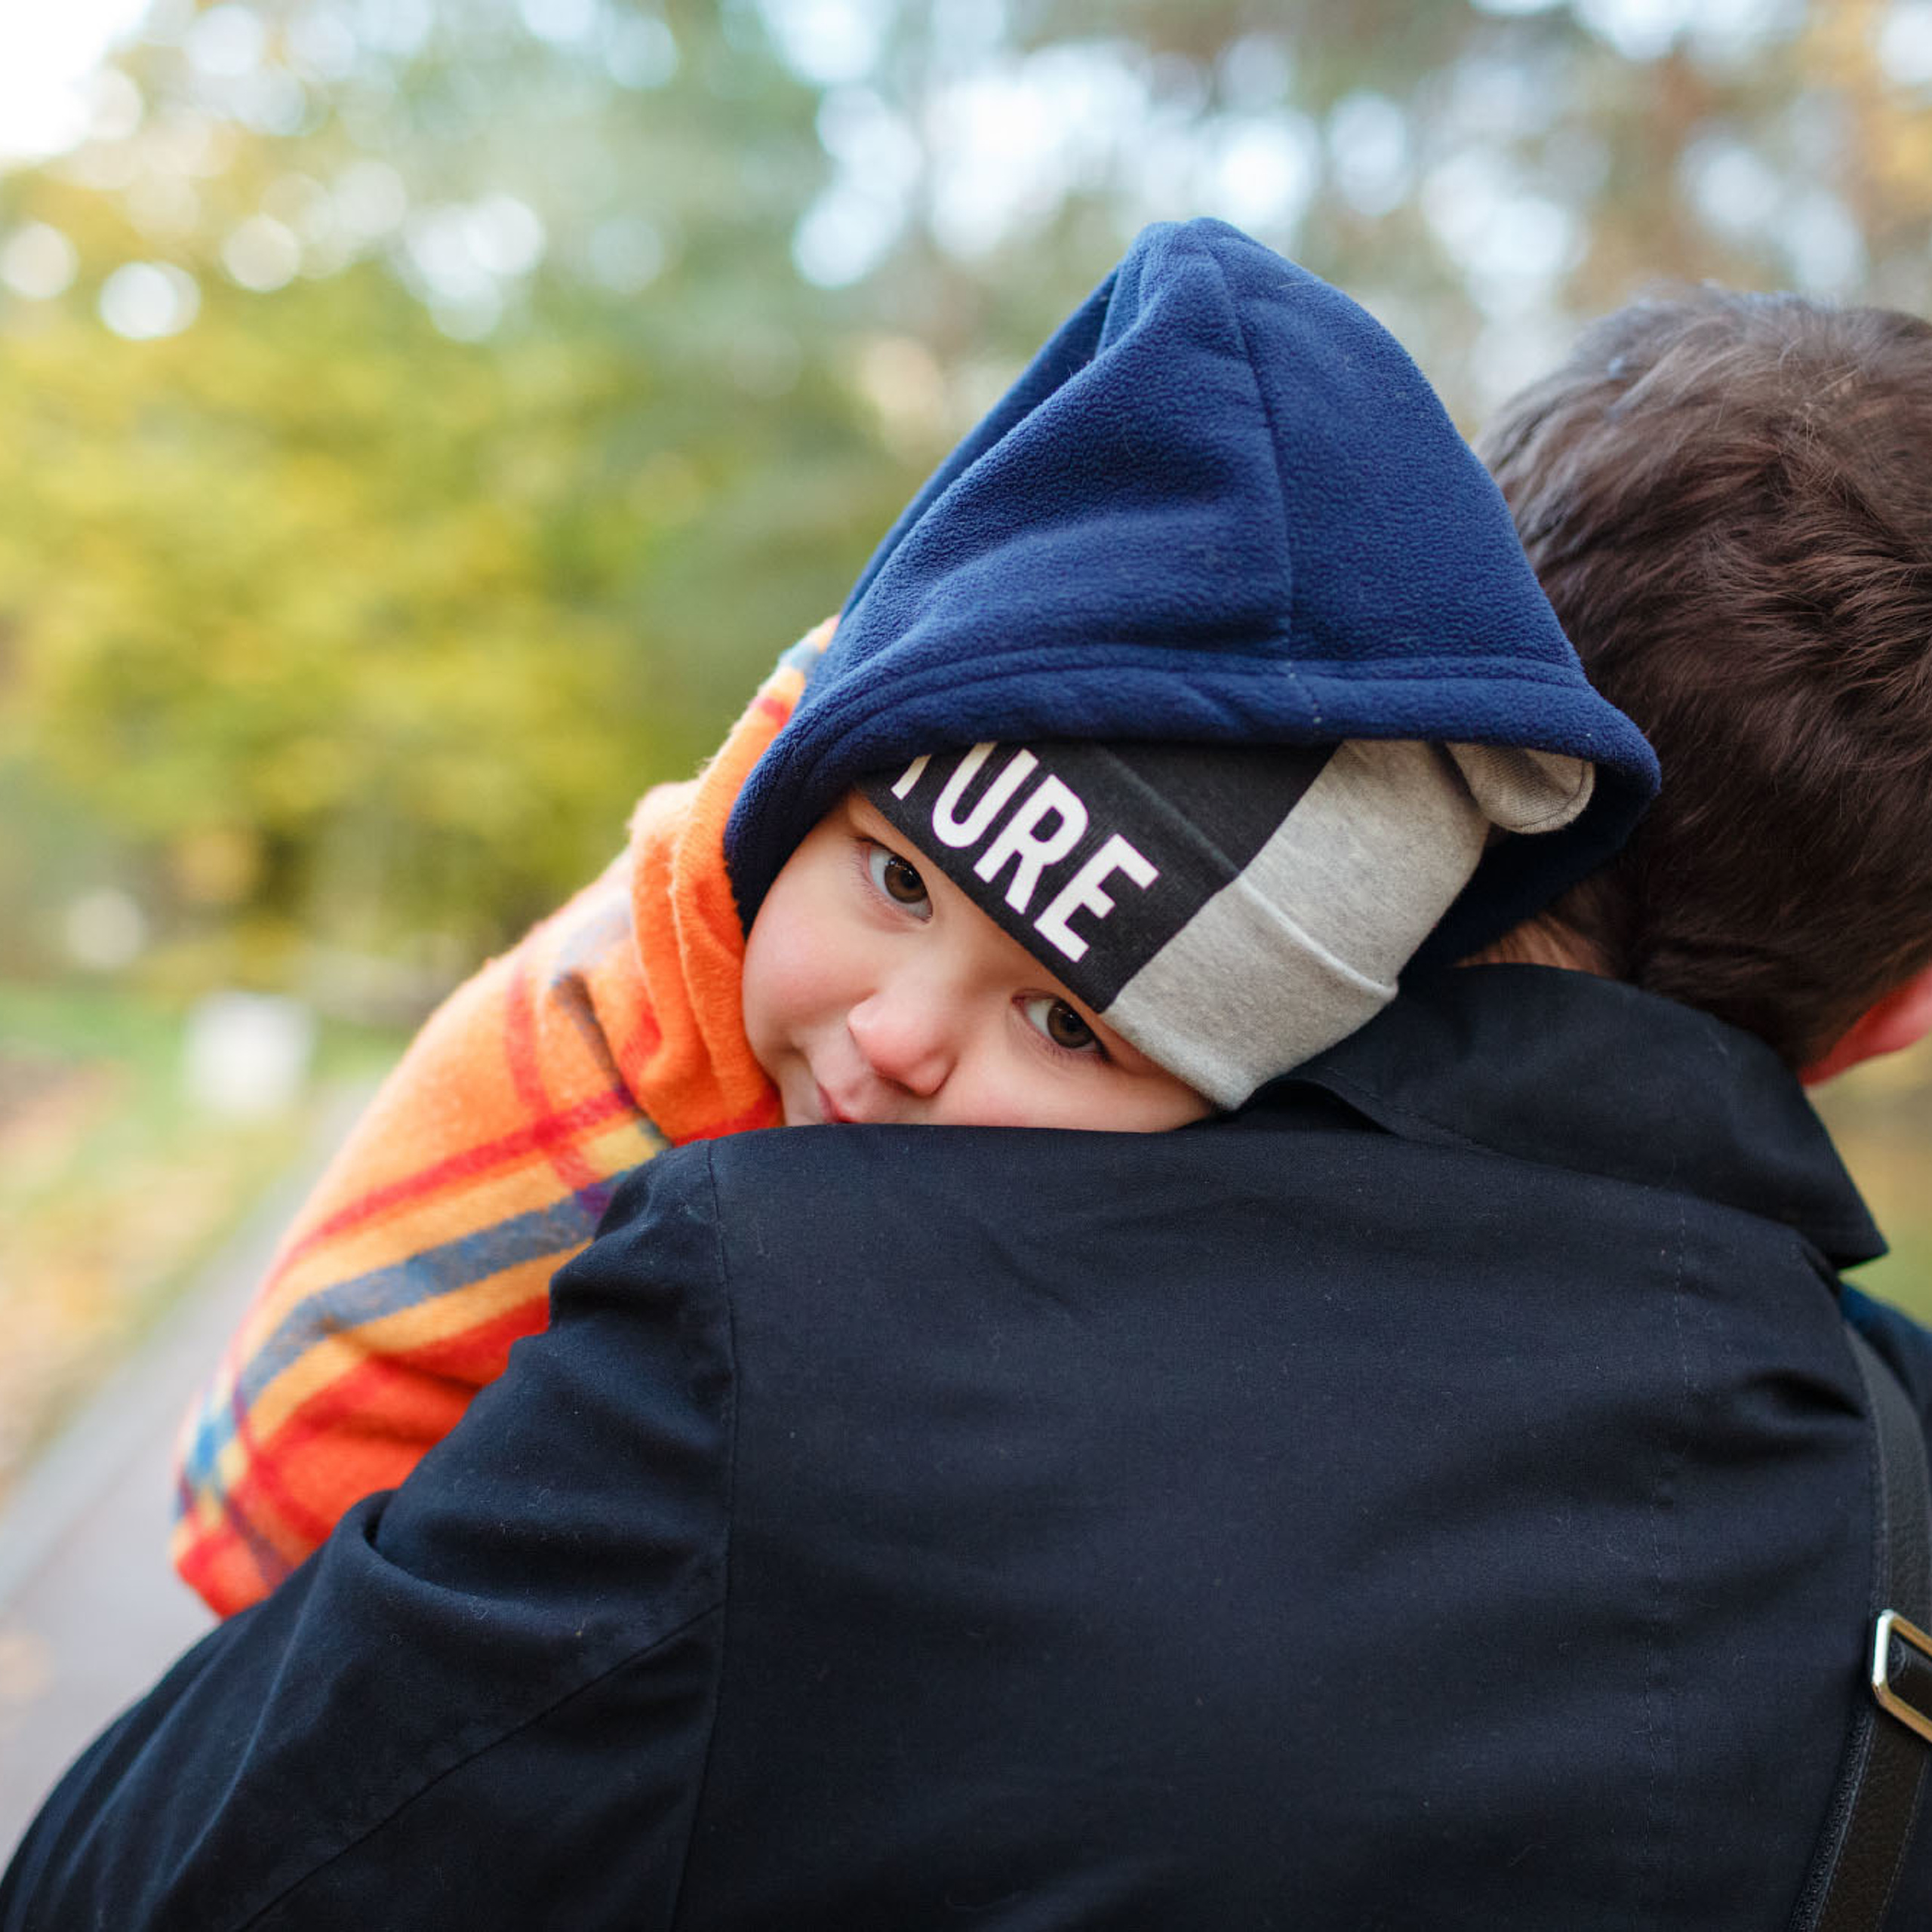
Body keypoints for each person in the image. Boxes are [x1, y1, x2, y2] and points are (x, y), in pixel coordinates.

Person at [8, 289, 1931, 1931]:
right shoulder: (1894, 1510)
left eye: (1067, 1019)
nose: (906, 1047)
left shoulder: (786, 1305)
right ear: (1897, 1008)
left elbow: (131, 1879)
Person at [168, 214, 1652, 1618]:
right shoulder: (607, 1067)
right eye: (897, 882)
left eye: (1063, 1022)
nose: (893, 1040)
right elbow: (289, 1477)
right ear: (801, 803)